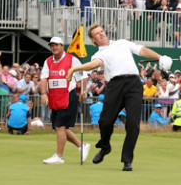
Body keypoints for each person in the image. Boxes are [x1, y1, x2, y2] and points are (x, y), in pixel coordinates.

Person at [64, 22, 173, 172]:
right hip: (115, 85)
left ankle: (127, 160)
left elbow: (142, 50)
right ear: (93, 40)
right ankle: (105, 146)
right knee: (105, 121)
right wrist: (76, 68)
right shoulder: (99, 54)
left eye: (102, 31)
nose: (101, 34)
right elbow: (94, 64)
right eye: (97, 34)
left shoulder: (122, 43)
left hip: (133, 84)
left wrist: (160, 57)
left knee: (133, 123)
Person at [39, 36, 91, 165]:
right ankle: (81, 145)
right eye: (52, 45)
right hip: (55, 97)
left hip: (68, 96)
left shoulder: (72, 59)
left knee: (60, 126)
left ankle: (59, 156)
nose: (54, 47)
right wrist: (44, 93)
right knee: (59, 127)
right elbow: (44, 78)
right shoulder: (48, 61)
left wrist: (83, 91)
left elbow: (83, 76)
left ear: (62, 46)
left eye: (57, 45)